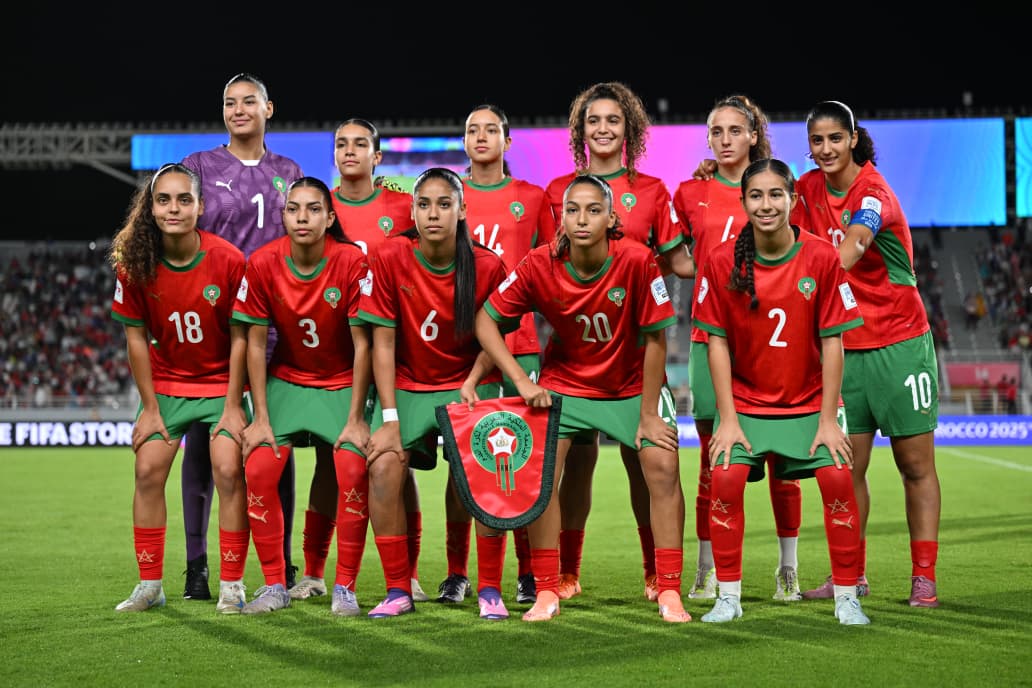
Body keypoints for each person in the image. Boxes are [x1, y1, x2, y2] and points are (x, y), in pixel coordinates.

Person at [476, 173, 691, 623]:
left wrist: (648, 415)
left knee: (662, 465)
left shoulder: (638, 260)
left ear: (612, 218)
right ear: (561, 218)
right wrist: (522, 382)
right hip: (566, 382)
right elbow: (485, 321)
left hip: (632, 384)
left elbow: (657, 338)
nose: (581, 219)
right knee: (540, 475)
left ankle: (668, 588)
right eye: (572, 210)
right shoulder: (539, 263)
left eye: (594, 210)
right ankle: (547, 589)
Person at [692, 158, 870, 625]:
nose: (766, 204)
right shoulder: (721, 260)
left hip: (810, 405)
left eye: (775, 195)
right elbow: (716, 343)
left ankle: (846, 596)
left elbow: (833, 342)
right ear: (743, 202)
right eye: (756, 195)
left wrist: (828, 420)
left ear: (792, 200)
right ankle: (728, 596)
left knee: (838, 476)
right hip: (747, 406)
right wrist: (728, 419)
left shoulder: (822, 257)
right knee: (724, 476)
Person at [542, 81, 693, 602]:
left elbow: (681, 263)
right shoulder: (557, 191)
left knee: (644, 464)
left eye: (613, 120)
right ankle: (565, 572)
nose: (603, 129)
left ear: (630, 129)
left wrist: (737, 249)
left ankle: (656, 572)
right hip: (574, 361)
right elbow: (545, 266)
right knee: (573, 469)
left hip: (636, 362)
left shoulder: (652, 191)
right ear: (579, 131)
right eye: (593, 120)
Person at [794, 101, 942, 608]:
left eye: (835, 138)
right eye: (817, 141)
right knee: (845, 470)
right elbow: (764, 205)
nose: (826, 149)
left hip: (899, 344)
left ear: (853, 139)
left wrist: (806, 287)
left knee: (914, 465)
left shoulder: (873, 192)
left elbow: (856, 243)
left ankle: (924, 577)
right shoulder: (806, 190)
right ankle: (849, 576)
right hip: (844, 349)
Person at [359, 167, 512, 620]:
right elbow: (383, 343)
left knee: (485, 471)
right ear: (412, 210)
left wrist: (472, 382)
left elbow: (493, 340)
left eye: (444, 204)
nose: (433, 214)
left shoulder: (487, 265)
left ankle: (489, 589)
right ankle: (397, 589)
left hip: (470, 382)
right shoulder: (390, 257)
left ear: (462, 210)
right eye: (424, 204)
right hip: (408, 384)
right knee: (382, 467)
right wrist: (389, 419)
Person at [178, 73, 306, 600]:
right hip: (216, 322)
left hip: (276, 326)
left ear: (268, 109)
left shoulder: (289, 172)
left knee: (276, 443)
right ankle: (197, 566)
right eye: (230, 102)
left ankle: (283, 563)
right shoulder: (199, 166)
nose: (238, 109)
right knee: (204, 443)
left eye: (249, 101)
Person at [672, 95, 803, 602]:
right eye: (716, 132)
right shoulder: (691, 192)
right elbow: (674, 257)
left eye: (734, 130)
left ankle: (788, 569)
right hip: (710, 340)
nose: (724, 140)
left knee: (784, 462)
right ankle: (707, 570)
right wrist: (709, 273)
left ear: (753, 135)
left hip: (774, 341)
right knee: (713, 463)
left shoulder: (772, 185)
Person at [109, 163, 250, 614]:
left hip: (221, 385)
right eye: (164, 200)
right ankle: (150, 584)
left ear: (200, 207)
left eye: (184, 199)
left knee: (228, 470)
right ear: (151, 208)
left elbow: (242, 337)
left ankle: (232, 584)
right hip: (168, 386)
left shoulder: (228, 259)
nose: (174, 208)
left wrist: (234, 404)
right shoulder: (135, 264)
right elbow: (135, 338)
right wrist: (149, 408)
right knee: (148, 470)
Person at [232, 177, 371, 615]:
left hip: (341, 382)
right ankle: (274, 584)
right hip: (287, 381)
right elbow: (255, 343)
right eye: (293, 209)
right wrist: (260, 418)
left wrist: (357, 417)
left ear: (330, 218)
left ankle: (344, 586)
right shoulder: (263, 262)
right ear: (283, 216)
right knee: (258, 468)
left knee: (351, 467)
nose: (302, 217)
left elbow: (364, 344)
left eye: (313, 209)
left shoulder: (351, 261)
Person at [432, 104, 552, 606]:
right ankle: (457, 572)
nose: (480, 137)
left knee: (522, 463)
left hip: (521, 346)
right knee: (464, 465)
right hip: (465, 350)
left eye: (490, 130)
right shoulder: (448, 195)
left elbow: (552, 267)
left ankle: (528, 574)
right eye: (471, 130)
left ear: (508, 140)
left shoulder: (533, 197)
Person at [315, 117, 432, 603]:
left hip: (393, 351)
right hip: (336, 356)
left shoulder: (402, 206)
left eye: (360, 143)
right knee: (330, 462)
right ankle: (315, 574)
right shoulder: (320, 206)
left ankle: (409, 575)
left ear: (377, 156)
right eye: (341, 143)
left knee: (398, 465)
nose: (349, 151)